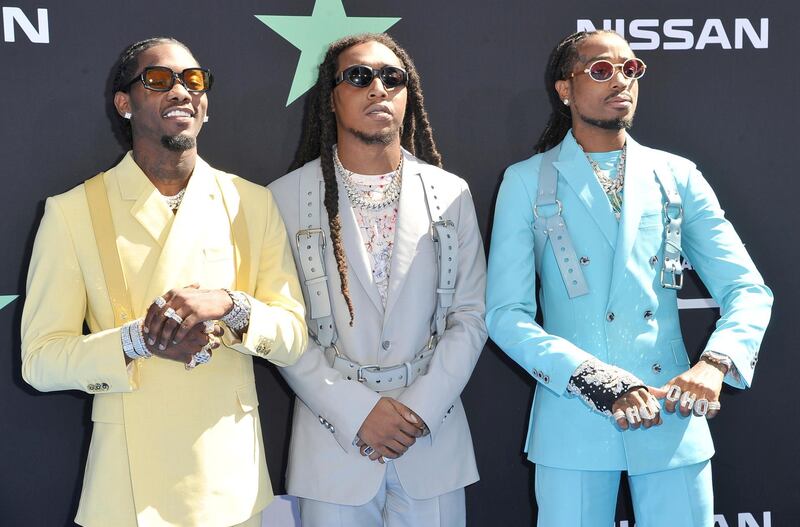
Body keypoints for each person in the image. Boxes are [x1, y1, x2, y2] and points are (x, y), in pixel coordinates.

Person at [485, 30, 773, 526]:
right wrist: (590, 377)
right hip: (573, 417)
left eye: (631, 68)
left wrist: (716, 363)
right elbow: (506, 315)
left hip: (672, 412)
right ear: (565, 88)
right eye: (601, 69)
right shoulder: (526, 180)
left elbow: (748, 289)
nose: (621, 80)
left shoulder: (676, 174)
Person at [20, 37, 307, 527]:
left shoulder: (251, 203)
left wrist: (231, 306)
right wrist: (138, 341)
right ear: (124, 103)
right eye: (159, 80)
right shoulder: (73, 212)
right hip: (126, 493)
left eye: (193, 80)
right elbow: (40, 361)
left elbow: (294, 338)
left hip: (230, 485)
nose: (180, 91)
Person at [268, 33, 487, 526]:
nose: (378, 89)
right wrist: (357, 412)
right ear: (331, 95)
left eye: (392, 78)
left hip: (432, 442)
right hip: (331, 447)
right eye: (359, 76)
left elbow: (470, 317)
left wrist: (417, 412)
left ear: (408, 96)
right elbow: (283, 329)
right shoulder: (284, 197)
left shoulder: (450, 193)